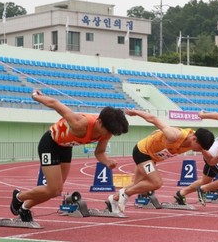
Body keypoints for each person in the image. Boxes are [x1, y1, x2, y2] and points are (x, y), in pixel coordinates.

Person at [10, 90, 129, 222]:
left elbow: (99, 152)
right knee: (53, 188)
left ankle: (25, 207)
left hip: (66, 148)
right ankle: (19, 196)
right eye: (108, 131)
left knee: (56, 190)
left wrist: (107, 161)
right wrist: (36, 96)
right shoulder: (80, 123)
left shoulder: (107, 131)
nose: (108, 135)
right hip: (50, 143)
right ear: (99, 122)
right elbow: (55, 103)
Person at [106, 109, 214, 212]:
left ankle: (113, 200)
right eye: (200, 148)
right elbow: (153, 119)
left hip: (152, 158)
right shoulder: (174, 135)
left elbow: (211, 160)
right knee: (156, 182)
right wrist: (135, 112)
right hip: (142, 152)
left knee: (138, 184)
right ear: (194, 139)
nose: (200, 151)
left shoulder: (196, 141)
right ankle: (125, 194)